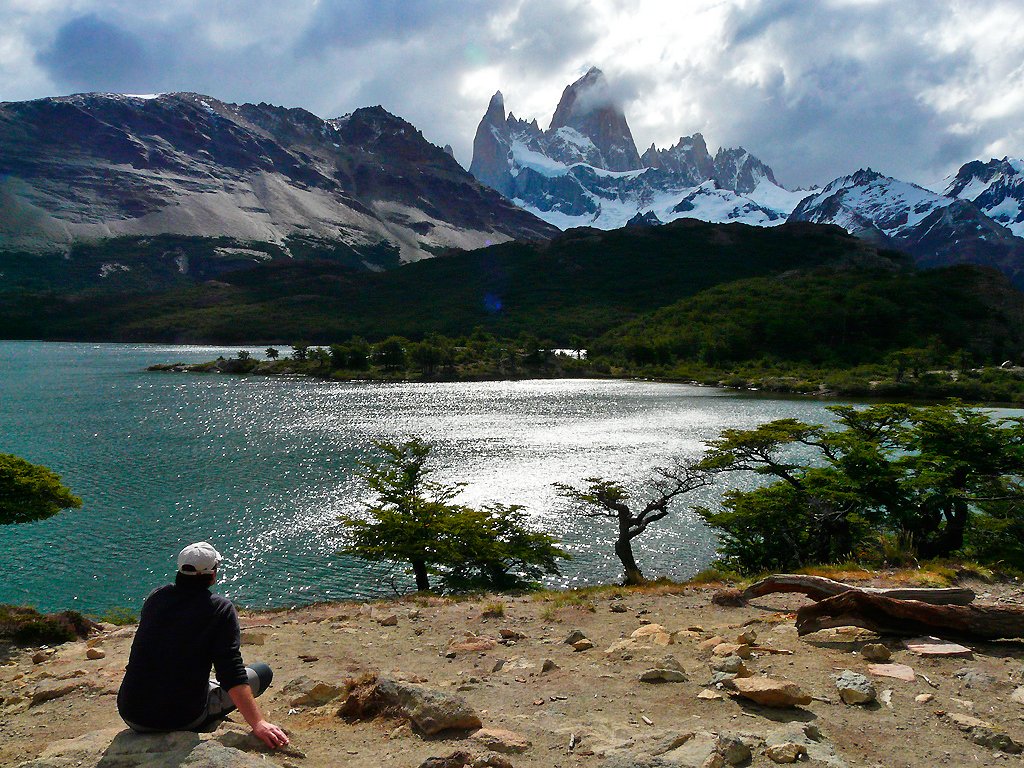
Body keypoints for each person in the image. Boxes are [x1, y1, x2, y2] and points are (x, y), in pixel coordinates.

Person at [117, 542, 289, 749]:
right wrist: (258, 723)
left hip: (132, 713)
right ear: (213, 574)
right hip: (183, 718)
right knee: (262, 672)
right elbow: (231, 671)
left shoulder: (156, 597)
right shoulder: (220, 609)